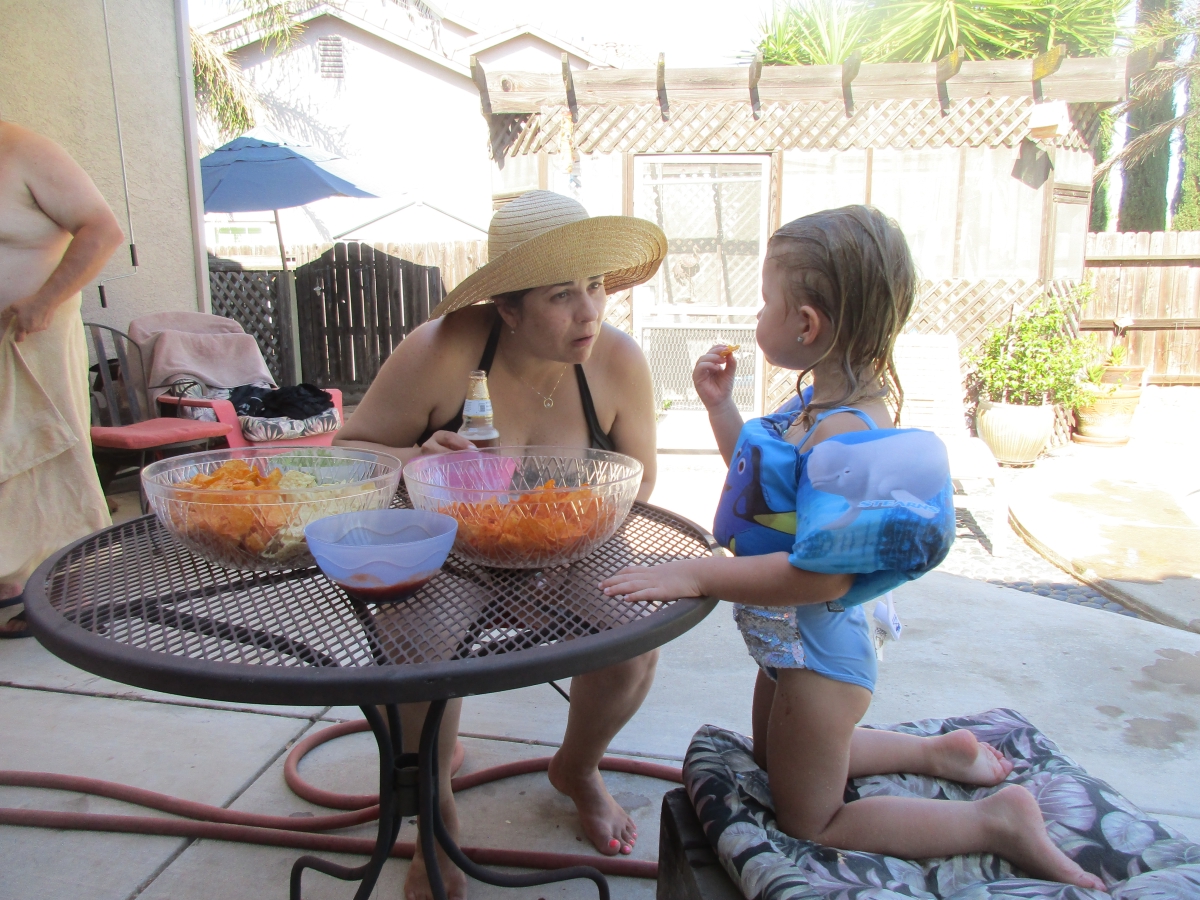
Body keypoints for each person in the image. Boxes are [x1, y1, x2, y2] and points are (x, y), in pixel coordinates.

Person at [600, 206, 1107, 892]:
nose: (759, 313)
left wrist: (699, 575)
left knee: (812, 817)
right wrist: (722, 409)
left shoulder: (846, 431)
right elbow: (765, 494)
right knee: (777, 760)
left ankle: (996, 821)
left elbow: (822, 581)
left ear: (807, 324)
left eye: (766, 301)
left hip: (821, 658)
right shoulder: (814, 403)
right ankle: (938, 755)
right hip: (788, 648)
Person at [335, 190, 666, 900]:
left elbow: (638, 482)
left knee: (635, 641)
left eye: (596, 285)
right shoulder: (442, 350)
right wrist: (417, 456)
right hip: (454, 546)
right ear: (507, 310)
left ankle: (576, 767)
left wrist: (568, 519)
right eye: (561, 295)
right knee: (416, 647)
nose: (589, 312)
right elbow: (349, 455)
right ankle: (436, 814)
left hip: (574, 544)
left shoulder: (617, 362)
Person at [0, 118, 125, 638]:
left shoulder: (24, 151)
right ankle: (10, 579)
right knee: (6, 466)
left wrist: (45, 300)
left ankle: (69, 593)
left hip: (32, 335)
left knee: (51, 457)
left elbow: (103, 230)